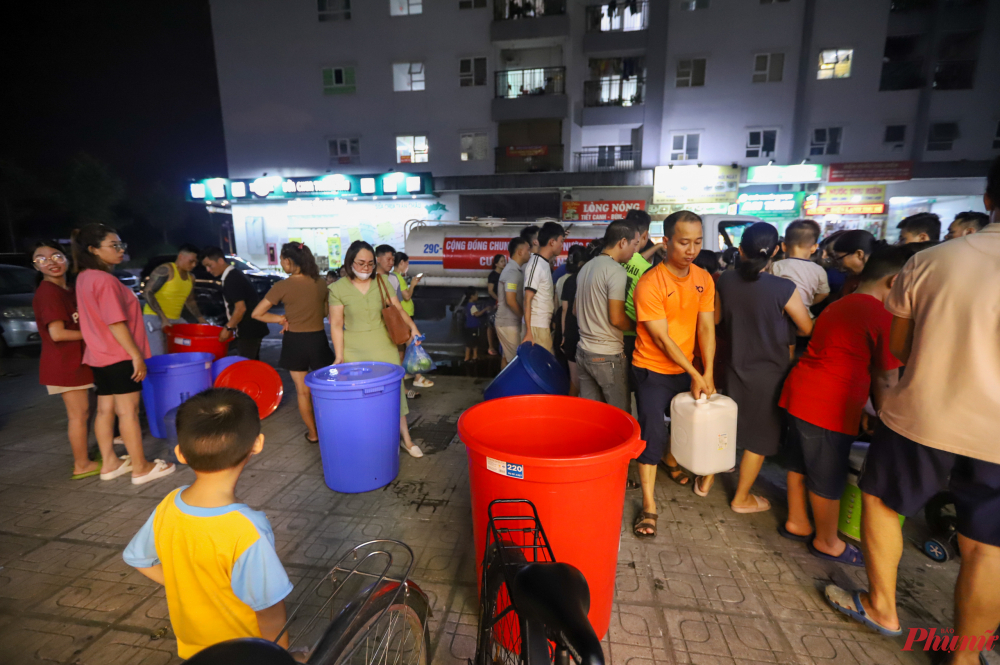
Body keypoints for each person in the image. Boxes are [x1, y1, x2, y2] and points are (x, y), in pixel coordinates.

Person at [824, 159, 1000, 658]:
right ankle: (965, 655)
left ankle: (883, 606)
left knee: (882, 502)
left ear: (988, 200)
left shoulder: (932, 261)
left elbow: (898, 347)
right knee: (988, 547)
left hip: (924, 415)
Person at [123, 388, 293, 660]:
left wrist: (190, 586)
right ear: (257, 443)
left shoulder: (169, 504)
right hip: (244, 653)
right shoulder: (247, 529)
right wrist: (283, 658)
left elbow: (139, 559)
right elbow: (269, 610)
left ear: (180, 453)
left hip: (195, 651)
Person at [780, 246, 914, 565]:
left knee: (799, 464)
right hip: (828, 405)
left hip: (800, 393)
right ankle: (828, 541)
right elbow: (885, 379)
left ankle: (797, 521)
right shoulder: (882, 316)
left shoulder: (840, 305)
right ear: (896, 281)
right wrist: (886, 418)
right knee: (827, 477)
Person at [703, 223, 813, 510]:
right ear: (777, 250)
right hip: (770, 374)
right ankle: (741, 499)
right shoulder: (784, 288)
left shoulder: (725, 280)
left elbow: (714, 321)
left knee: (725, 426)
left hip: (734, 366)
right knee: (760, 438)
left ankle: (706, 480)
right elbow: (805, 327)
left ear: (741, 250)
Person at [631, 211, 717, 538]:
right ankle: (649, 504)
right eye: (683, 242)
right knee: (652, 432)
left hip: (689, 368)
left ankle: (670, 460)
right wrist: (696, 373)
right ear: (665, 242)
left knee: (685, 422)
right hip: (653, 369)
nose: (691, 250)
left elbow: (706, 327)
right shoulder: (650, 283)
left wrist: (706, 372)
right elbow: (663, 340)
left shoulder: (704, 278)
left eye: (697, 242)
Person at [72, 223, 175, 485]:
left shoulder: (84, 277)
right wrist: (136, 355)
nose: (120, 251)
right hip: (119, 356)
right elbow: (115, 322)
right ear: (94, 249)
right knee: (127, 412)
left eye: (121, 245)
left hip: (98, 357)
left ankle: (109, 463)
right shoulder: (105, 280)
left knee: (105, 411)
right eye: (114, 246)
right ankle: (140, 467)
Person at [329, 241, 425, 458]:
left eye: (370, 264)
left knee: (395, 394)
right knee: (360, 398)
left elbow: (398, 308)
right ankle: (367, 441)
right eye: (361, 263)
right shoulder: (337, 288)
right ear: (350, 261)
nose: (366, 268)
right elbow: (336, 324)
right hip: (354, 351)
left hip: (385, 347)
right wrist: (339, 355)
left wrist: (414, 330)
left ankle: (406, 440)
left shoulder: (382, 281)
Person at [32, 241, 100, 479]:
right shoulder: (49, 292)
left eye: (56, 256)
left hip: (76, 361)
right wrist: (95, 334)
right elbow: (57, 334)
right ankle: (82, 464)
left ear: (67, 259)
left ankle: (86, 457)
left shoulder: (67, 289)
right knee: (79, 414)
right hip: (64, 363)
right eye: (42, 259)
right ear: (36, 266)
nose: (50, 262)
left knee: (86, 411)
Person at [252, 242, 332, 443]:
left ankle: (313, 434)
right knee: (325, 389)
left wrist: (281, 319)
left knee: (303, 392)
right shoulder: (321, 283)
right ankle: (332, 429)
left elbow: (257, 313)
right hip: (318, 340)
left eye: (282, 260)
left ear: (288, 261)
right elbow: (324, 312)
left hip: (295, 342)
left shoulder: (282, 286)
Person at [574, 219, 640, 411]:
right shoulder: (615, 271)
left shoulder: (585, 268)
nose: (635, 251)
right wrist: (639, 327)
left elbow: (576, 311)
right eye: (635, 244)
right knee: (620, 416)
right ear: (622, 242)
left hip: (583, 352)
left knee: (592, 416)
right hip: (607, 356)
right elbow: (617, 318)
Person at [200, 247, 270, 361]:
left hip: (248, 330)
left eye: (209, 265)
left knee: (245, 366)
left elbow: (240, 309)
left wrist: (228, 328)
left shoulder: (231, 279)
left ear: (221, 261)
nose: (208, 270)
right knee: (252, 364)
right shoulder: (234, 275)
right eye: (205, 267)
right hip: (252, 328)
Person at [379, 246, 432, 390]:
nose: (407, 266)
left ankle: (404, 376)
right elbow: (406, 297)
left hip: (400, 316)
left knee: (401, 348)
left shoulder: (392, 278)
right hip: (401, 316)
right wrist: (413, 284)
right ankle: (416, 377)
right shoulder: (394, 278)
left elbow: (395, 303)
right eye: (407, 263)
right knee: (409, 345)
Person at [622, 209, 660, 402]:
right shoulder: (647, 271)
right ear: (644, 235)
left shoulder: (612, 259)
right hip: (634, 335)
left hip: (610, 334)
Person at [142, 244, 207, 356]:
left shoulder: (191, 278)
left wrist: (201, 319)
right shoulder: (166, 270)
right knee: (159, 356)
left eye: (196, 262)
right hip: (154, 317)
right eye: (191, 261)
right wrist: (163, 318)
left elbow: (190, 301)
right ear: (181, 256)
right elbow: (147, 292)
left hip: (175, 320)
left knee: (190, 347)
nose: (193, 265)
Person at [522, 221, 565, 352]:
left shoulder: (544, 263)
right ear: (552, 242)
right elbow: (527, 299)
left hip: (541, 325)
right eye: (561, 241)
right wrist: (529, 332)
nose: (562, 245)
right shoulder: (536, 264)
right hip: (536, 327)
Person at [771, 219, 829, 314]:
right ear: (814, 248)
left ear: (784, 246)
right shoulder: (819, 270)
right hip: (805, 315)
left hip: (780, 315)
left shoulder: (776, 266)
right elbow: (824, 293)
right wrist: (808, 303)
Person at [559, 246, 588, 397]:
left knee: (574, 381)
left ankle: (571, 413)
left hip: (571, 334)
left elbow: (564, 310)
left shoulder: (568, 280)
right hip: (587, 335)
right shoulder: (590, 278)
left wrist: (564, 335)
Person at [495, 237, 529, 367]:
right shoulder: (512, 272)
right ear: (520, 252)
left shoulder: (514, 270)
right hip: (509, 323)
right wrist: (524, 317)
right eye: (528, 250)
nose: (529, 252)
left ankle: (501, 386)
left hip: (508, 322)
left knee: (507, 357)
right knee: (514, 361)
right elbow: (510, 300)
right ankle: (509, 387)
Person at [830, 230, 880, 296]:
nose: (841, 265)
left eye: (840, 258)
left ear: (859, 254)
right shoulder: (853, 278)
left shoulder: (881, 281)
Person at [485, 254, 505, 356]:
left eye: (504, 261)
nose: (504, 263)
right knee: (491, 325)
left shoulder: (505, 274)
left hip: (502, 303)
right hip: (494, 303)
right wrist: (498, 300)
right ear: (496, 264)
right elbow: (490, 290)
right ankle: (491, 346)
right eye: (501, 261)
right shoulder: (493, 275)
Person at [462, 287, 488, 361]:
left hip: (469, 326)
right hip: (473, 327)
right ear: (472, 296)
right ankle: (473, 356)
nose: (477, 296)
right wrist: (485, 310)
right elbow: (476, 314)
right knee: (474, 342)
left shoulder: (468, 304)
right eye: (476, 294)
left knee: (469, 342)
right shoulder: (472, 305)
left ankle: (468, 357)